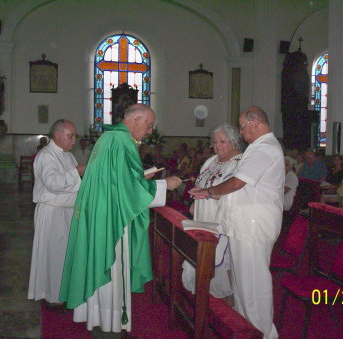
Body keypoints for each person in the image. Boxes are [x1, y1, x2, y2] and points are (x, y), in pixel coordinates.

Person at [59, 104, 181, 333]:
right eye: (149, 124)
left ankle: (99, 318)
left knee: (99, 262)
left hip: (102, 212)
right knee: (113, 267)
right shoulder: (122, 141)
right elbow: (128, 190)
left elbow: (115, 180)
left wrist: (142, 175)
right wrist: (166, 184)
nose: (150, 130)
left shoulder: (109, 138)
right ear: (136, 118)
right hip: (112, 218)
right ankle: (110, 325)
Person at [189, 106, 284, 339]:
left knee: (253, 283)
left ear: (256, 124)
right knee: (242, 285)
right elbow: (237, 189)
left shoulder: (265, 149)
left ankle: (264, 333)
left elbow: (237, 183)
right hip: (243, 224)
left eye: (243, 127)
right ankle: (247, 329)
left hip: (253, 225)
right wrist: (210, 193)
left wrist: (210, 192)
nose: (241, 133)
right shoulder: (257, 148)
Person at [182, 123, 242, 302]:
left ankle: (227, 303)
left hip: (221, 218)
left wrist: (208, 195)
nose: (218, 145)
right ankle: (205, 298)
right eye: (215, 142)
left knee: (222, 261)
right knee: (201, 255)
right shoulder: (211, 160)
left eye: (222, 141)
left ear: (233, 141)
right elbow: (201, 183)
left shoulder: (239, 163)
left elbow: (237, 194)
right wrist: (195, 200)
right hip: (202, 216)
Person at [28, 119, 85, 306]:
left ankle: (65, 292)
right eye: (70, 136)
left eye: (75, 136)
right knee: (54, 255)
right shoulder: (46, 155)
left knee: (65, 254)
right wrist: (77, 172)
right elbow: (53, 183)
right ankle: (53, 296)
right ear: (57, 135)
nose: (74, 140)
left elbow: (75, 184)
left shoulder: (67, 155)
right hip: (52, 212)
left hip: (68, 211)